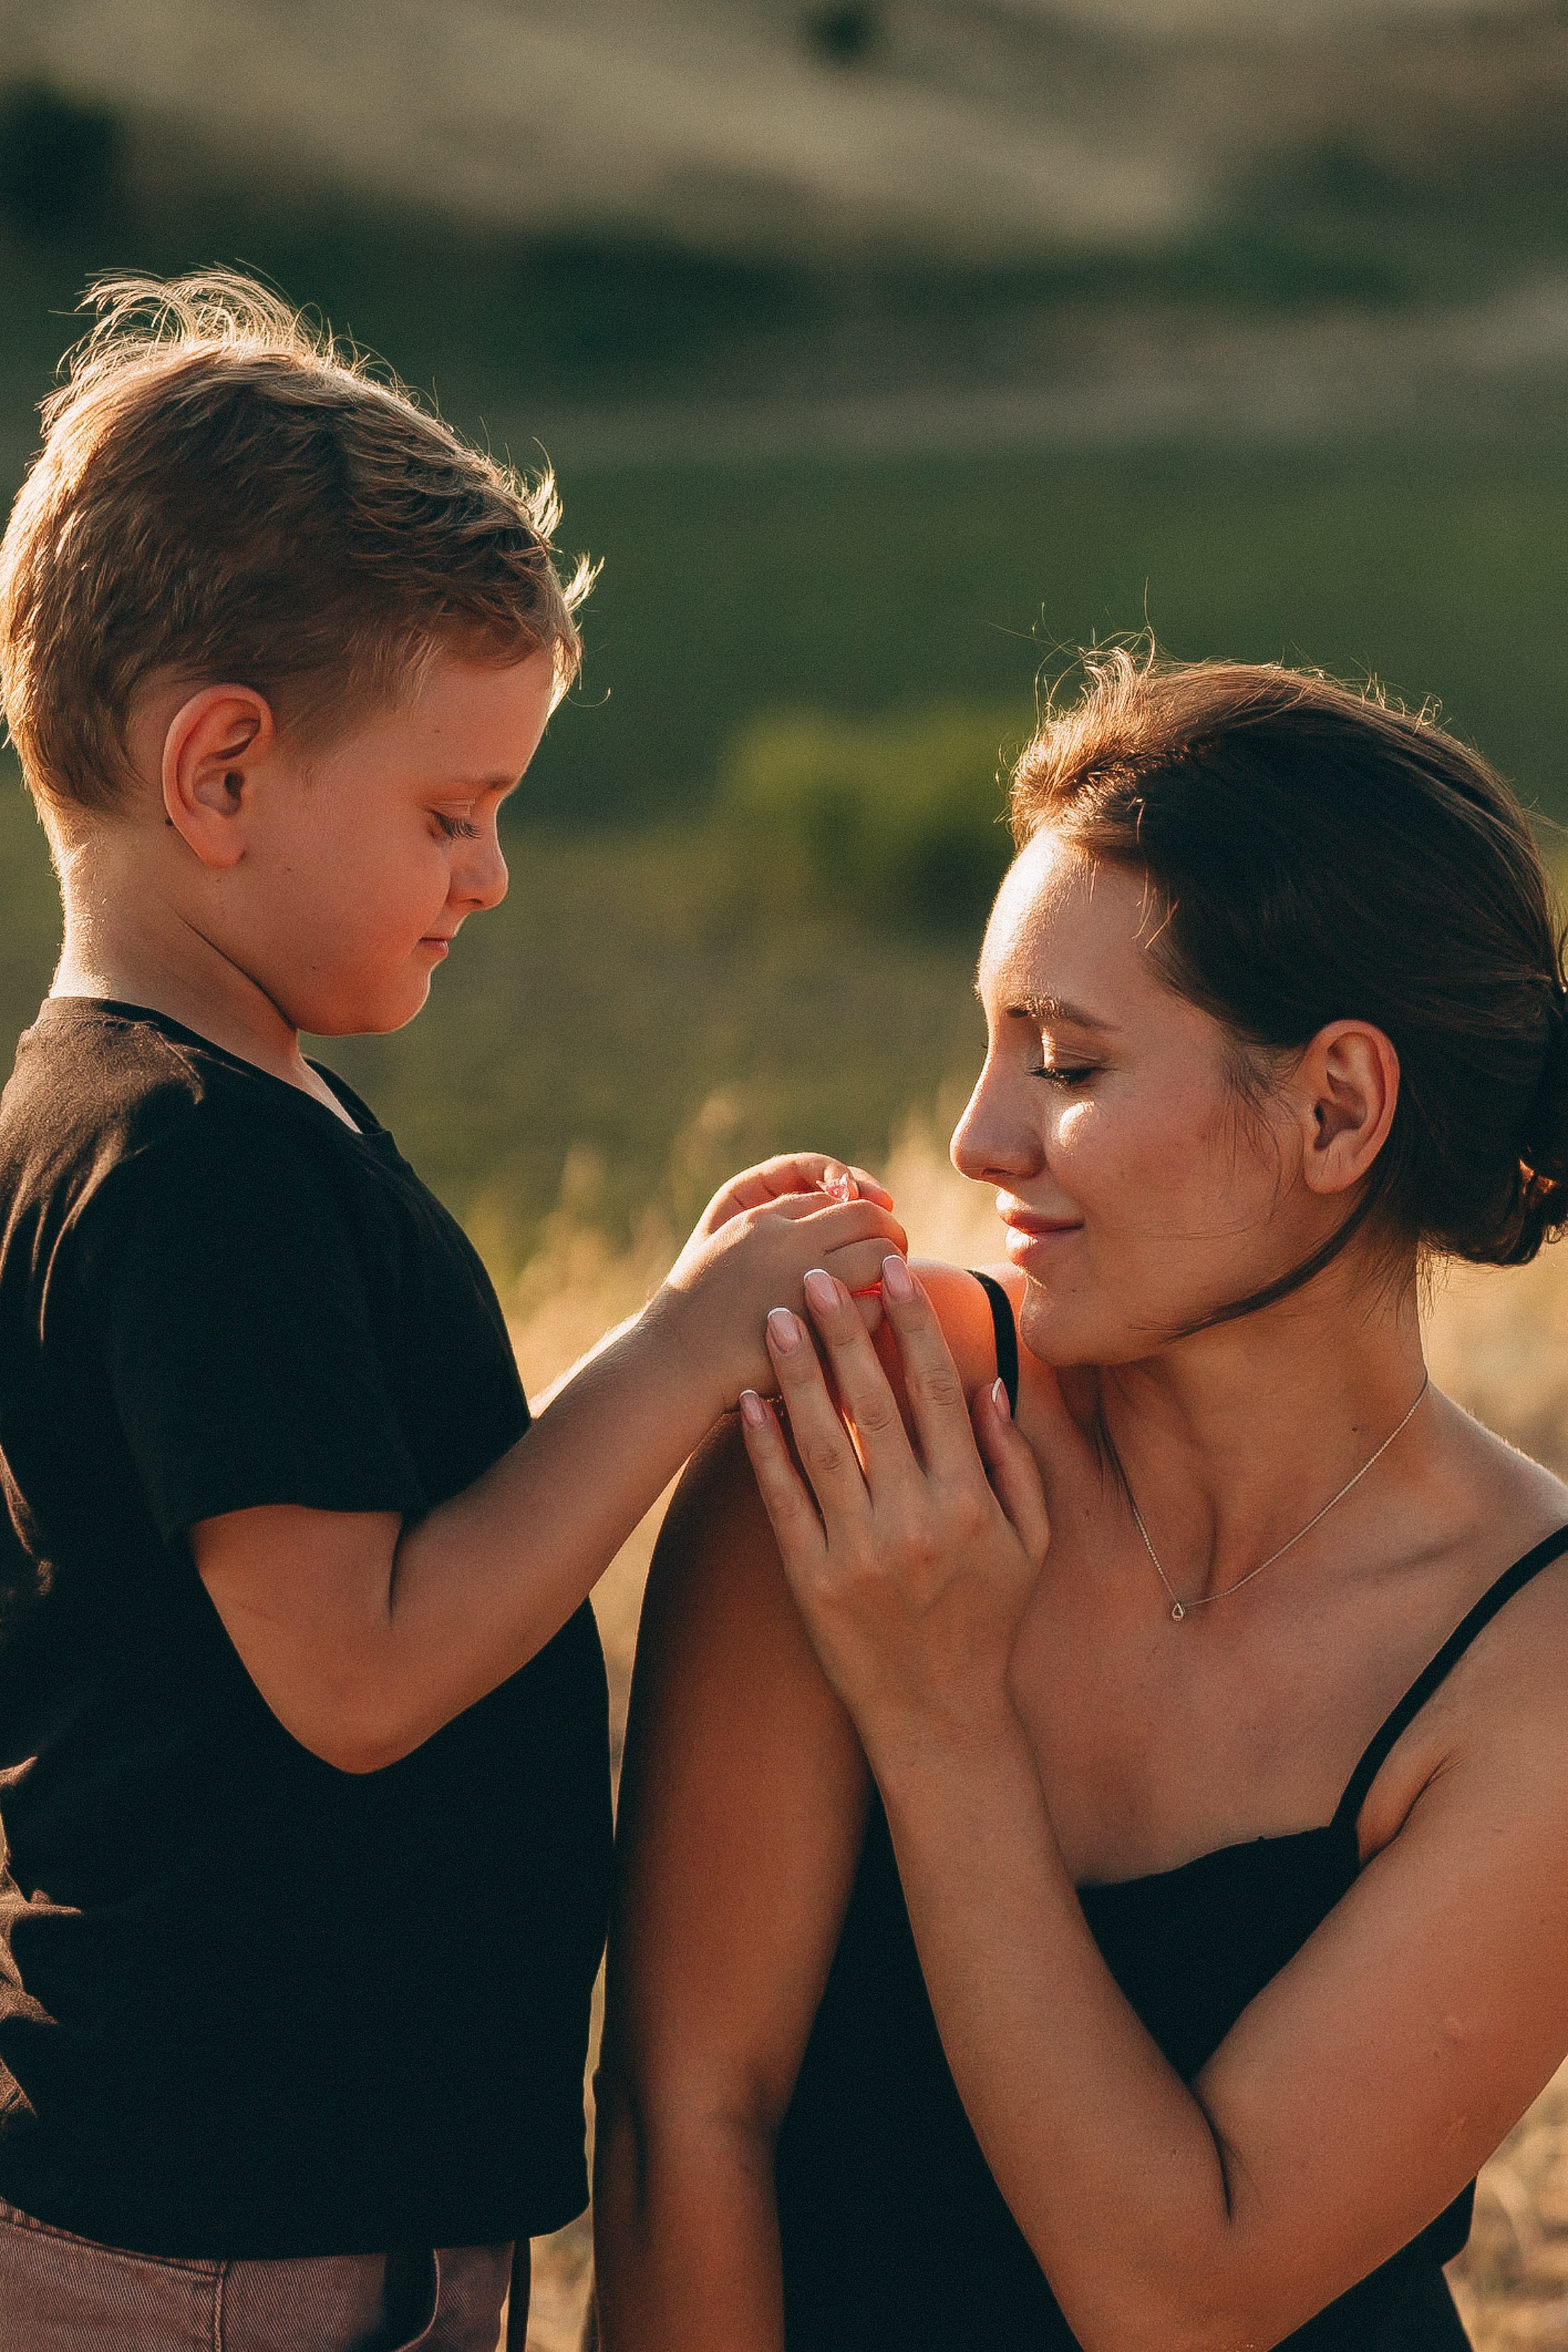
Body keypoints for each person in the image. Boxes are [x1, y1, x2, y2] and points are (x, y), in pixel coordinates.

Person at [0, 271, 905, 2352]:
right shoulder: (189, 1172)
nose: (491, 874)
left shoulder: (212, 1114)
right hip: (221, 2257)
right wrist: (681, 1351)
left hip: (267, 2225)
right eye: (450, 811)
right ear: (218, 772)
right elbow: (360, 1668)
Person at [596, 652, 1568, 2351]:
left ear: (1337, 1108)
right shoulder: (873, 1416)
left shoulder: (1535, 1670)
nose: (978, 1140)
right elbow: (688, 2120)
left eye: (1067, 1063)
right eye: (990, 1046)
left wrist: (943, 1717)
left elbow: (1179, 2295)